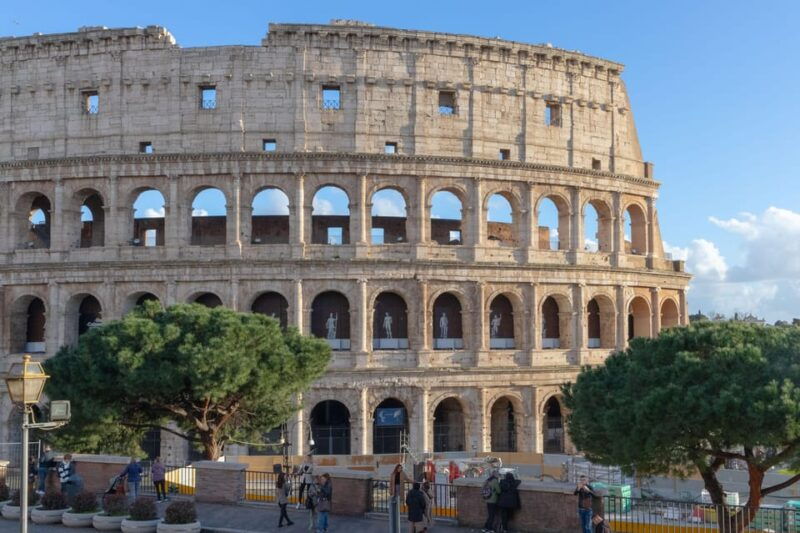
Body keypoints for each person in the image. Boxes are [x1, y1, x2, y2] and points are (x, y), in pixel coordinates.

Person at [389, 464, 411, 533]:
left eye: (401, 468)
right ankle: (395, 510)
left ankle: (399, 511)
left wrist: (413, 481)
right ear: (397, 468)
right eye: (399, 468)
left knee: (399, 500)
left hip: (400, 488)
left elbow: (407, 479)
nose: (400, 469)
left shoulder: (403, 473)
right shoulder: (393, 474)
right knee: (394, 499)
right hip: (394, 488)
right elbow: (390, 482)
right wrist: (390, 490)